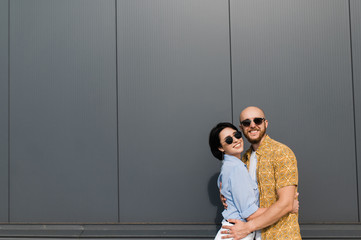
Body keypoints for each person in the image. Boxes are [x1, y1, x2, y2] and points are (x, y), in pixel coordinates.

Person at [221, 106, 301, 240]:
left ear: (265, 123)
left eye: (257, 121)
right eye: (247, 123)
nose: (252, 125)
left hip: (281, 235)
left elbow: (285, 204)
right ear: (241, 128)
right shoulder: (243, 159)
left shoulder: (281, 153)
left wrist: (247, 227)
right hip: (252, 236)